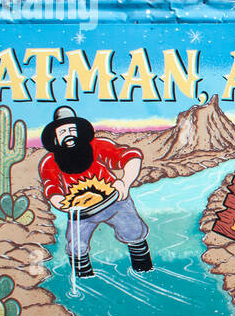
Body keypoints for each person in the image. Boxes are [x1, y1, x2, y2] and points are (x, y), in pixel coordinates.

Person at [38, 105, 153, 277]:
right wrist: (61, 203)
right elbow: (52, 188)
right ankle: (85, 280)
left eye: (72, 129)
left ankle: (144, 271)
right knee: (76, 247)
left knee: (135, 233)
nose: (68, 135)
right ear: (55, 137)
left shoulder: (98, 146)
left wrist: (125, 182)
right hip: (80, 212)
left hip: (116, 201)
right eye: (62, 132)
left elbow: (131, 157)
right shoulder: (49, 161)